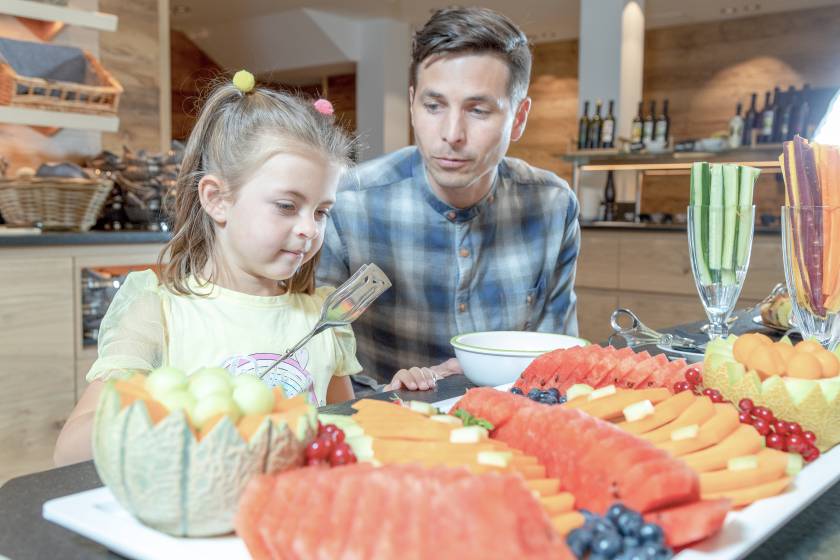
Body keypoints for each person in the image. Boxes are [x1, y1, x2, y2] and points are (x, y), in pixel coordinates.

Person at [54, 72, 370, 466]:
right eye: (287, 206)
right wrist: (184, 414)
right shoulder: (158, 312)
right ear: (217, 199)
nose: (310, 228)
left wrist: (395, 395)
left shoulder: (324, 319)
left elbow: (342, 431)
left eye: (322, 211)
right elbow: (69, 452)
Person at [317, 7, 581, 391]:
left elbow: (559, 361)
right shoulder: (347, 203)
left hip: (515, 423)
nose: (452, 133)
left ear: (519, 117)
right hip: (381, 428)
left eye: (478, 110)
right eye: (433, 106)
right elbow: (320, 357)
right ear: (412, 103)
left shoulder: (553, 205)